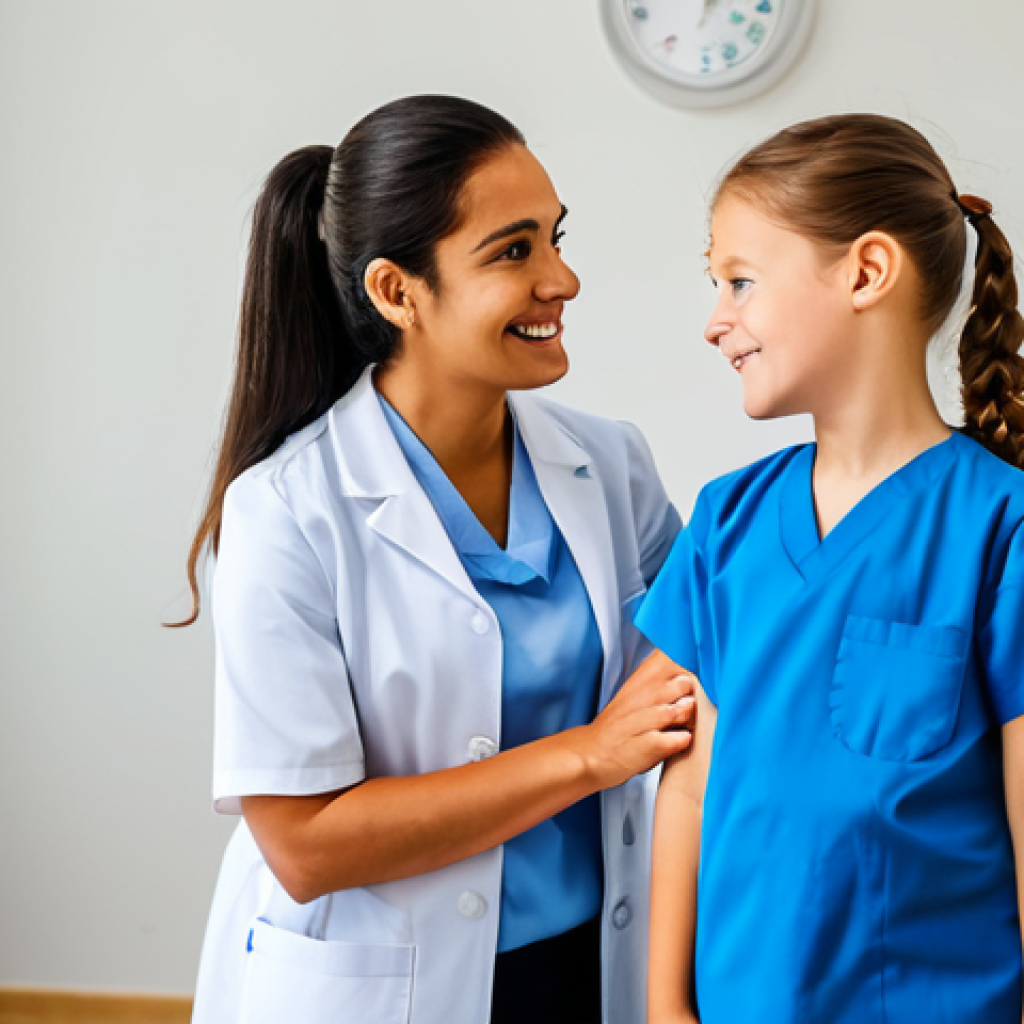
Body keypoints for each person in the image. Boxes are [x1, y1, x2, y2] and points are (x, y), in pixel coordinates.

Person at [178, 95, 695, 1024]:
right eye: (514, 250)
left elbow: (703, 635)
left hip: (588, 963)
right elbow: (306, 844)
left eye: (555, 237)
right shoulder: (288, 511)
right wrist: (588, 755)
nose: (563, 278)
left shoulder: (608, 463)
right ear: (396, 291)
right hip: (384, 985)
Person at [638, 113, 1024, 1024]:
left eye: (739, 281)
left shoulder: (999, 528)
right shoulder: (726, 522)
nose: (714, 322)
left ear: (866, 272)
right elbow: (691, 787)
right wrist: (664, 1007)